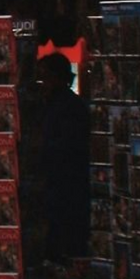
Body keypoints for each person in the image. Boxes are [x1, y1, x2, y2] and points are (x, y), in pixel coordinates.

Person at [28, 48, 91, 267]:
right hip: (61, 187)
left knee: (64, 239)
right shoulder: (58, 105)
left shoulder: (68, 107)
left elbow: (66, 148)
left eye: (44, 77)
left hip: (66, 187)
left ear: (55, 78)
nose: (41, 84)